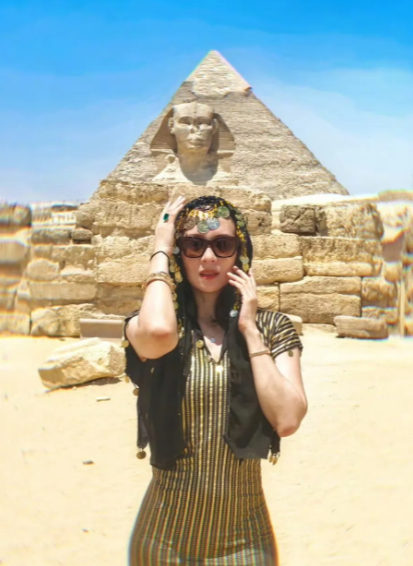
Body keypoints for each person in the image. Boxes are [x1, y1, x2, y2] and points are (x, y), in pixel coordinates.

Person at [123, 195, 308, 565]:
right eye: (193, 245)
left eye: (222, 245)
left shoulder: (272, 328)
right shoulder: (149, 325)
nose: (208, 258)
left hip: (245, 541)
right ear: (179, 253)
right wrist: (160, 247)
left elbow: (287, 419)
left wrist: (250, 331)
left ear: (239, 252)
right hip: (162, 540)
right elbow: (159, 332)